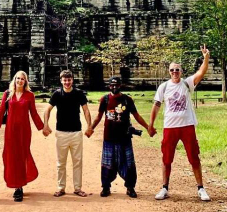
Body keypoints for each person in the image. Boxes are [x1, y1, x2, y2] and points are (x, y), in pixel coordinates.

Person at [148, 45, 211, 201]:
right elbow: (156, 105)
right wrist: (151, 124)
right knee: (167, 158)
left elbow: (201, 72)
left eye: (177, 70)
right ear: (169, 72)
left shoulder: (187, 83)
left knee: (194, 157)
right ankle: (164, 187)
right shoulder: (163, 87)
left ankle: (201, 188)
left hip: (187, 125)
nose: (175, 72)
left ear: (181, 72)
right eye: (172, 70)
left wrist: (206, 58)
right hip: (170, 127)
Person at [88, 76, 150, 198]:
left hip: (124, 138)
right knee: (107, 163)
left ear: (121, 85)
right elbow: (99, 116)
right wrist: (91, 128)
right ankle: (106, 187)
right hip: (109, 138)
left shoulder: (127, 100)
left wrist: (148, 127)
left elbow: (136, 116)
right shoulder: (105, 99)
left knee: (128, 163)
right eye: (112, 85)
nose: (114, 87)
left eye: (117, 85)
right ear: (109, 86)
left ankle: (130, 187)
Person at [0, 71, 44, 202]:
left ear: (26, 82)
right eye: (18, 78)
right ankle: (15, 183)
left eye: (22, 79)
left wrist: (43, 127)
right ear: (14, 80)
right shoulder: (7, 94)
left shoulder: (30, 95)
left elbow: (34, 113)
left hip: (24, 131)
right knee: (11, 156)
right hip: (10, 131)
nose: (20, 81)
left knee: (21, 156)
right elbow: (1, 110)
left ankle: (18, 187)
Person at [42, 69, 92, 197]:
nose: (67, 82)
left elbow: (86, 110)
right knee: (61, 163)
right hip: (61, 133)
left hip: (76, 132)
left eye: (69, 80)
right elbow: (47, 110)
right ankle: (61, 187)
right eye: (65, 80)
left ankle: (77, 188)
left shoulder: (79, 94)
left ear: (72, 80)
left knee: (77, 162)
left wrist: (89, 126)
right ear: (61, 81)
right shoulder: (57, 94)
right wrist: (46, 125)